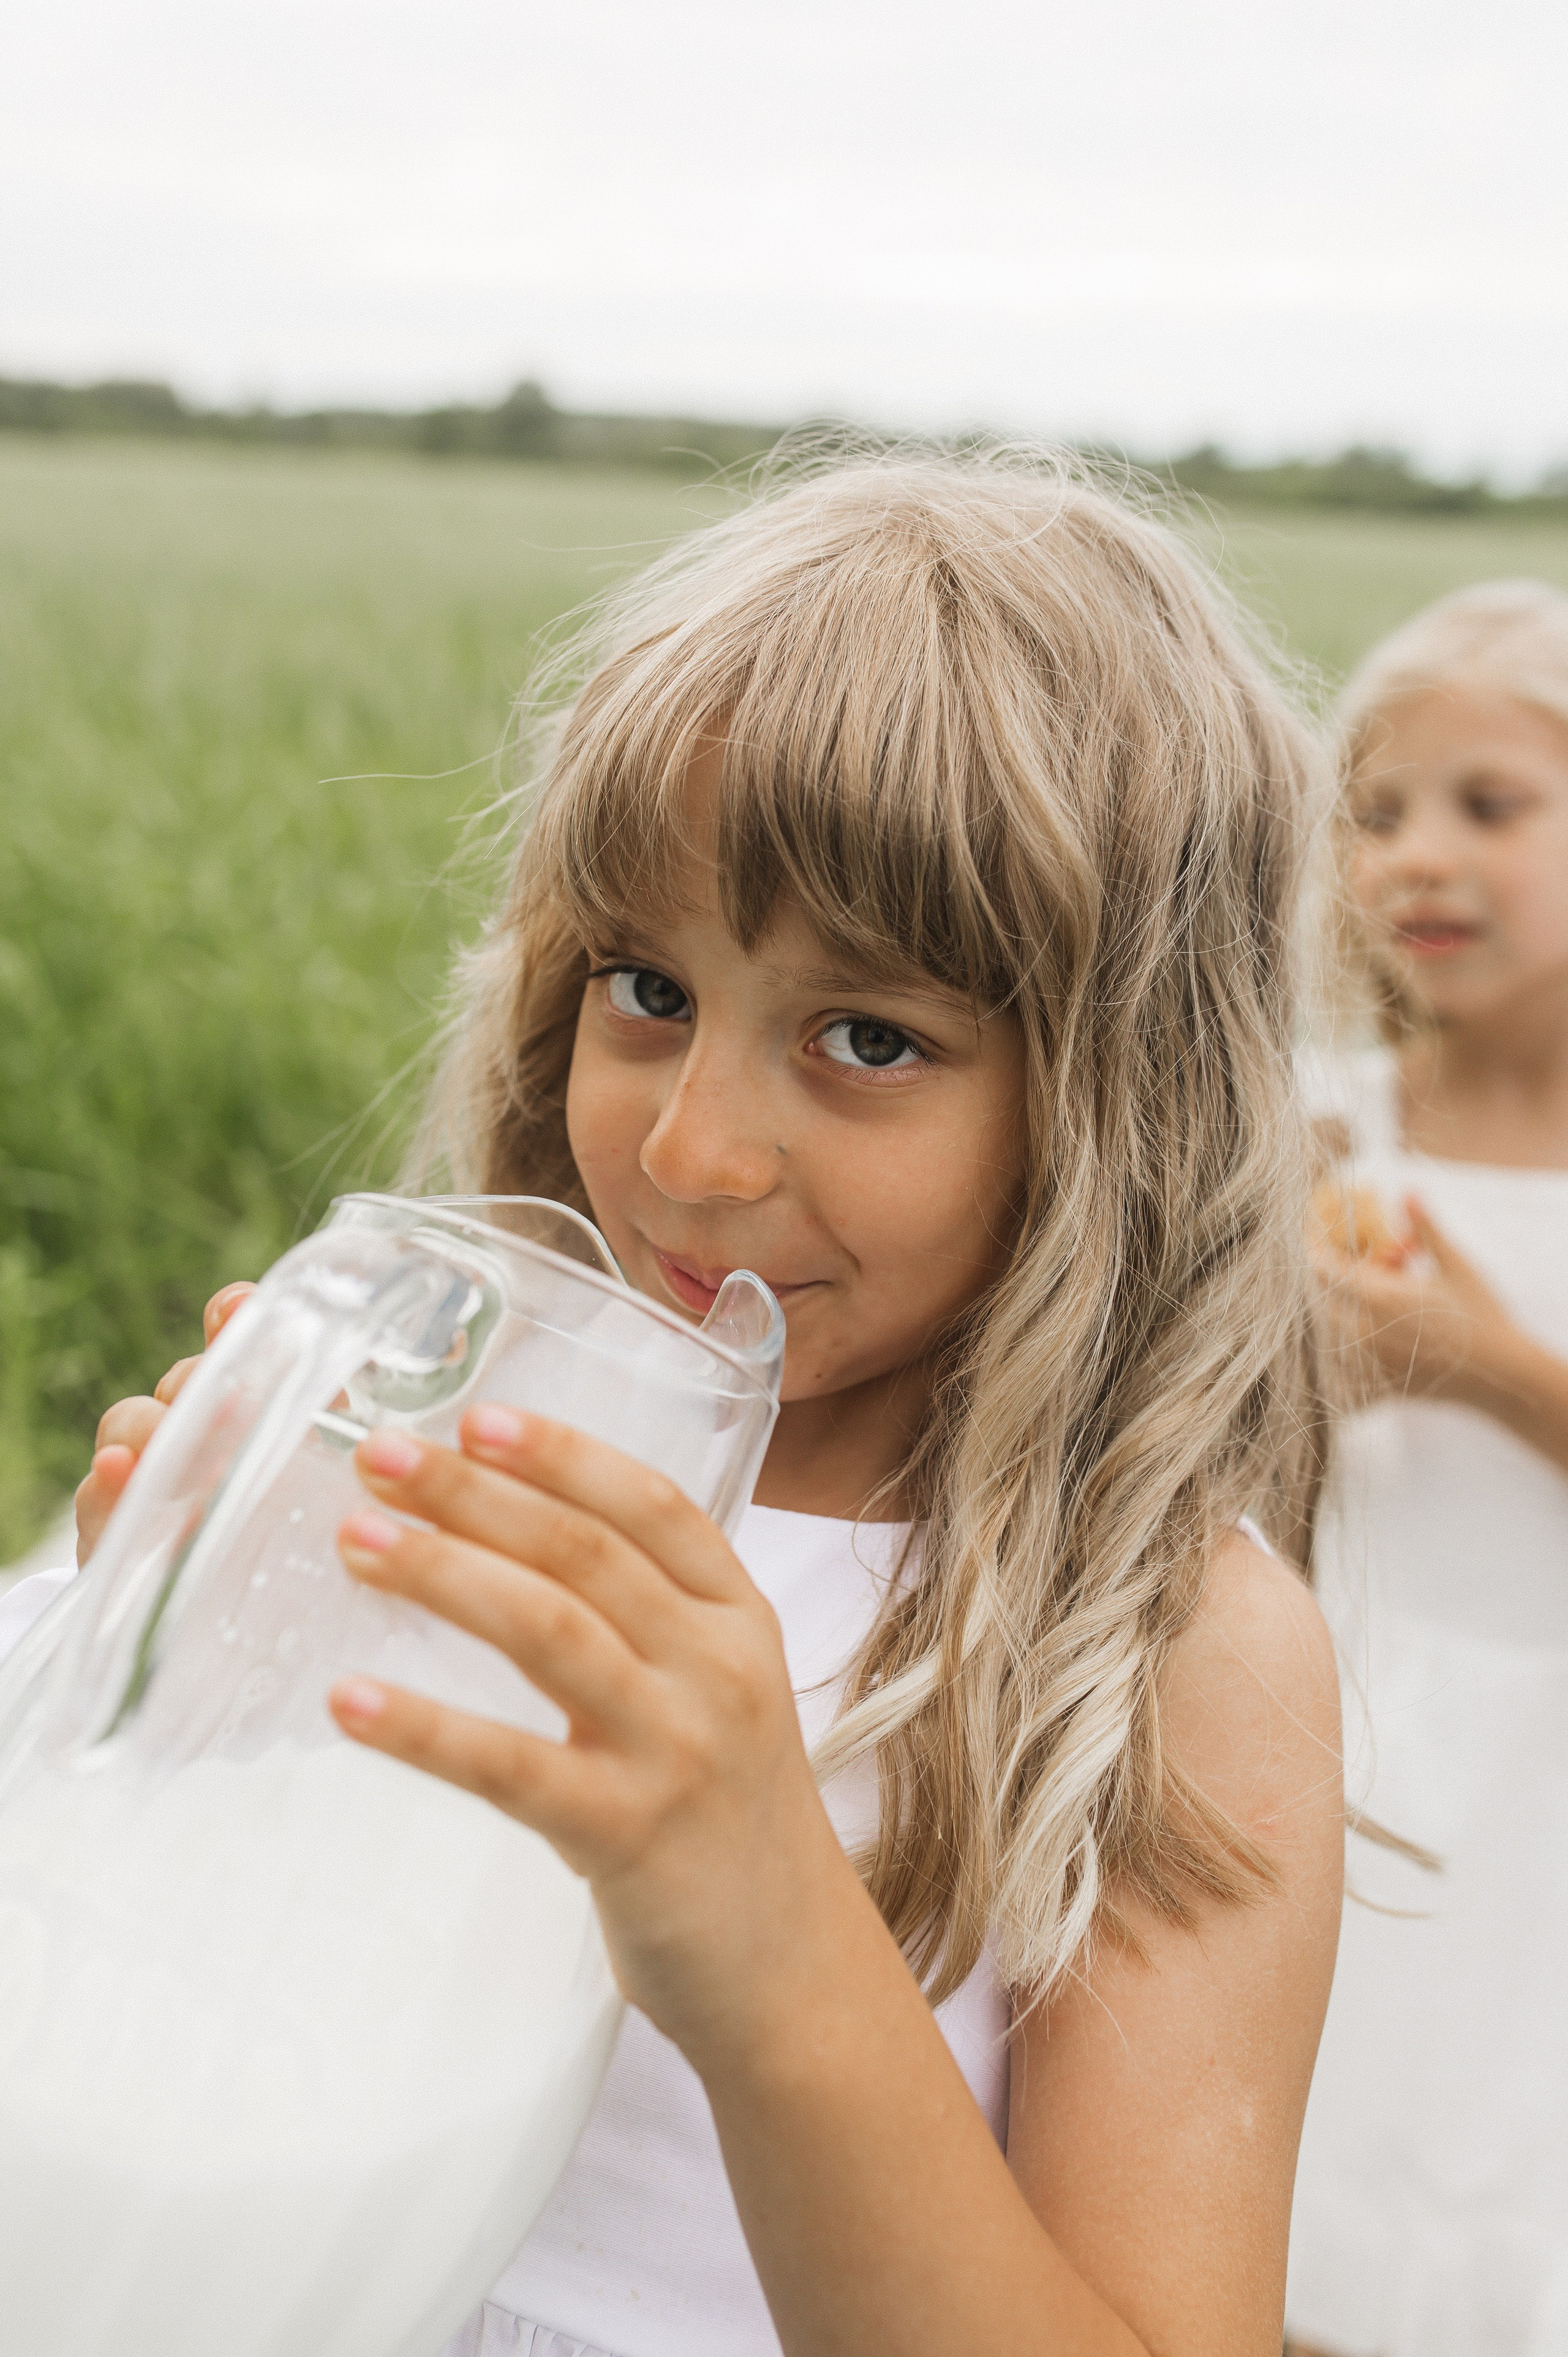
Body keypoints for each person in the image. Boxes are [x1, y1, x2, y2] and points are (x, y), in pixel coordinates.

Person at [28, 450, 1343, 2357]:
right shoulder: (483, 1430)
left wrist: (772, 1941)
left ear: (1120, 1106)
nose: (697, 1148)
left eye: (868, 1037)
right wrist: (193, 1661)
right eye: (646, 986)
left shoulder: (1175, 1651)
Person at [1287, 581, 1568, 2357]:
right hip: (1354, 1727)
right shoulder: (1326, 1121)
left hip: (1545, 1777)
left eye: (1491, 806)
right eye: (1377, 816)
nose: (1419, 860)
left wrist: (1480, 1367)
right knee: (1316, 2165)